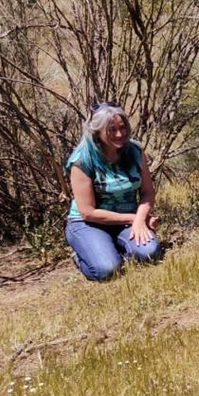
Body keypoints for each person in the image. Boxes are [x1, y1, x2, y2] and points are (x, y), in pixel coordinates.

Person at [65, 102, 163, 281]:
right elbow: (88, 212)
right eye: (111, 130)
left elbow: (148, 192)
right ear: (97, 131)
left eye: (123, 127)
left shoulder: (134, 150)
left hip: (126, 220)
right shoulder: (82, 160)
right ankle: (83, 257)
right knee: (107, 270)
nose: (120, 134)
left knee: (150, 253)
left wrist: (140, 218)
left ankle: (112, 249)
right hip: (89, 223)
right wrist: (137, 219)